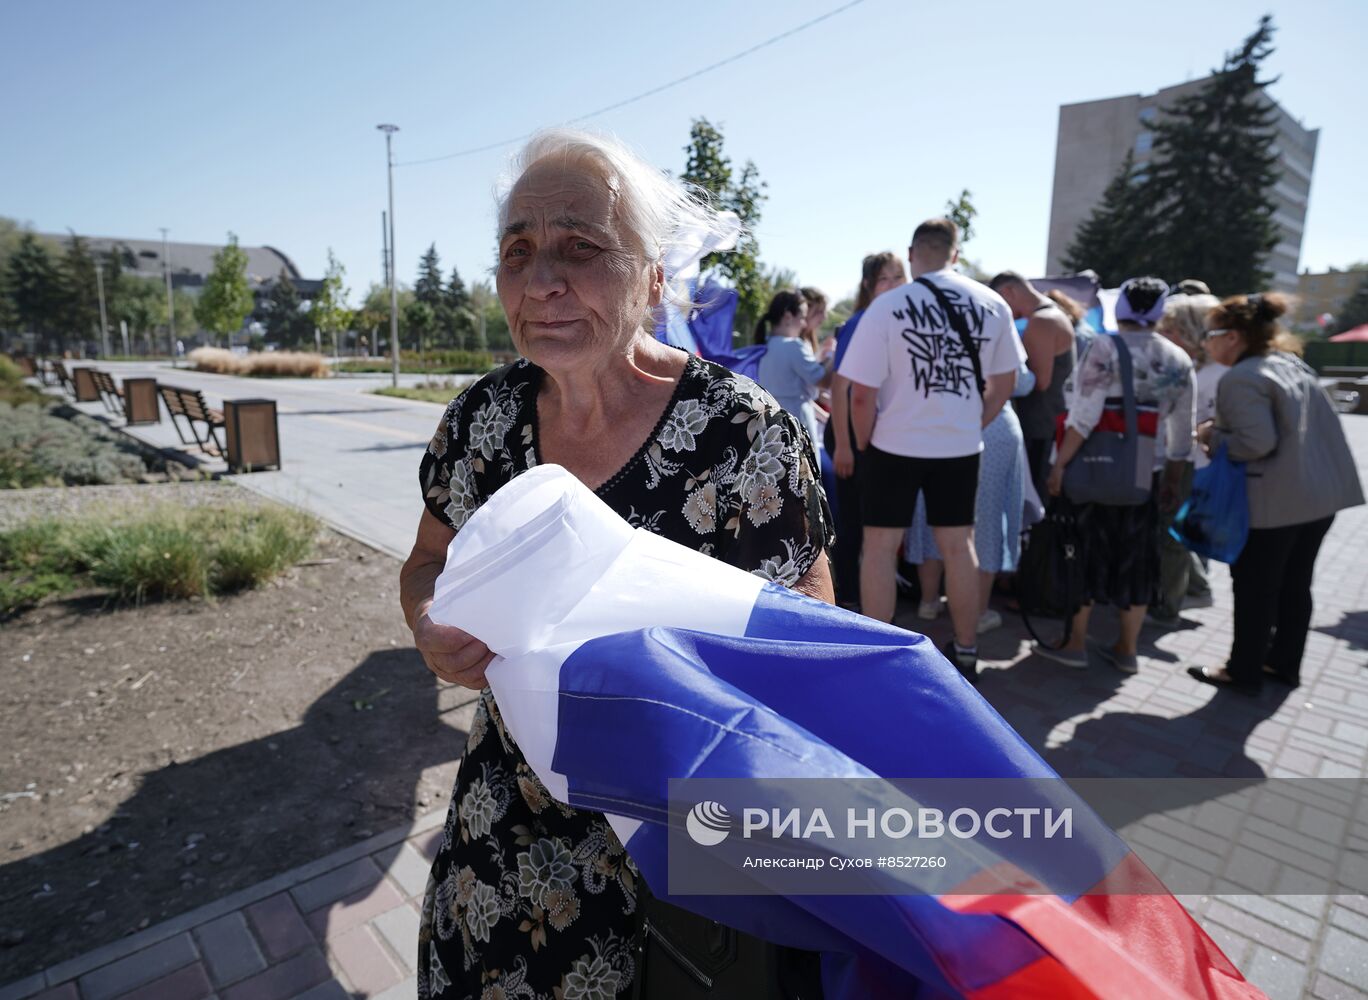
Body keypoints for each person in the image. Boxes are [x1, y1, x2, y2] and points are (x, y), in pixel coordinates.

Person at [399, 128, 834, 997]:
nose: (542, 280)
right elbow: (427, 559)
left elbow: (813, 653)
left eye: (580, 248)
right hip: (506, 840)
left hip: (683, 850)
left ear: (654, 277)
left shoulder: (739, 433)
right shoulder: (484, 418)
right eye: (518, 252)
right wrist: (428, 626)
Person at [839, 219, 1023, 678]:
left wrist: (863, 444)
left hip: (893, 444)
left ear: (913, 253)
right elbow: (1007, 380)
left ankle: (879, 655)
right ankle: (966, 649)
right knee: (959, 547)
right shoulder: (992, 303)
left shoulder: (888, 306)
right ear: (955, 254)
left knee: (880, 548)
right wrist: (975, 421)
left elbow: (859, 393)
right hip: (958, 446)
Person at [1187, 293, 1364, 693]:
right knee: (1295, 584)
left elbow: (1255, 443)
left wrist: (1211, 434)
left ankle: (1243, 670)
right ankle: (1282, 664)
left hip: (1276, 505)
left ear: (1233, 337)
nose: (1207, 344)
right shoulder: (1289, 364)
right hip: (1318, 500)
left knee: (1255, 587)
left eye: (1210, 335)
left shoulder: (1242, 376)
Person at [1038, 277, 1195, 674]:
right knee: (1138, 560)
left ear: (1121, 307)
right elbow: (1182, 431)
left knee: (1085, 552)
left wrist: (1059, 466)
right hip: (1148, 474)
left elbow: (1084, 416)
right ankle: (1127, 649)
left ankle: (1075, 644)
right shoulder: (1177, 358)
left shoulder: (1104, 347)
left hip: (1095, 470)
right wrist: (1173, 478)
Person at [906, 356, 1032, 638]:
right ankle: (978, 611)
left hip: (938, 424)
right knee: (987, 521)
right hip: (993, 426)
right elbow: (1020, 382)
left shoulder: (929, 318)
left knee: (932, 513)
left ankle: (929, 601)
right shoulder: (997, 316)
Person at [825, 252, 906, 608]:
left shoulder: (896, 321)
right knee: (854, 526)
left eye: (898, 278)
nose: (893, 286)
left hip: (872, 436)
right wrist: (844, 445)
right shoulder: (861, 322)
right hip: (849, 435)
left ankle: (866, 595)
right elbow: (841, 389)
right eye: (885, 279)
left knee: (874, 525)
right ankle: (848, 600)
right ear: (869, 285)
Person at [1149, 291, 1223, 625]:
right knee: (1175, 533)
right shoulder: (1198, 367)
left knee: (1172, 537)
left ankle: (1168, 607)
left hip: (1193, 465)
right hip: (1185, 461)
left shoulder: (1213, 374)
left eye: (1172, 329)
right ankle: (1193, 588)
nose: (1164, 335)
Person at [990, 272, 1076, 500]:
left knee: (1034, 500)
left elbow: (1039, 382)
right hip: (1049, 424)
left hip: (1041, 429)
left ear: (1009, 292)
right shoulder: (1051, 315)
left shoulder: (1042, 321)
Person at [756, 288, 833, 482]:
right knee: (805, 482)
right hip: (796, 421)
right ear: (788, 316)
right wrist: (834, 355)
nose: (805, 323)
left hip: (768, 424)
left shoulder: (763, 346)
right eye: (803, 317)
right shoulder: (793, 346)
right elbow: (823, 380)